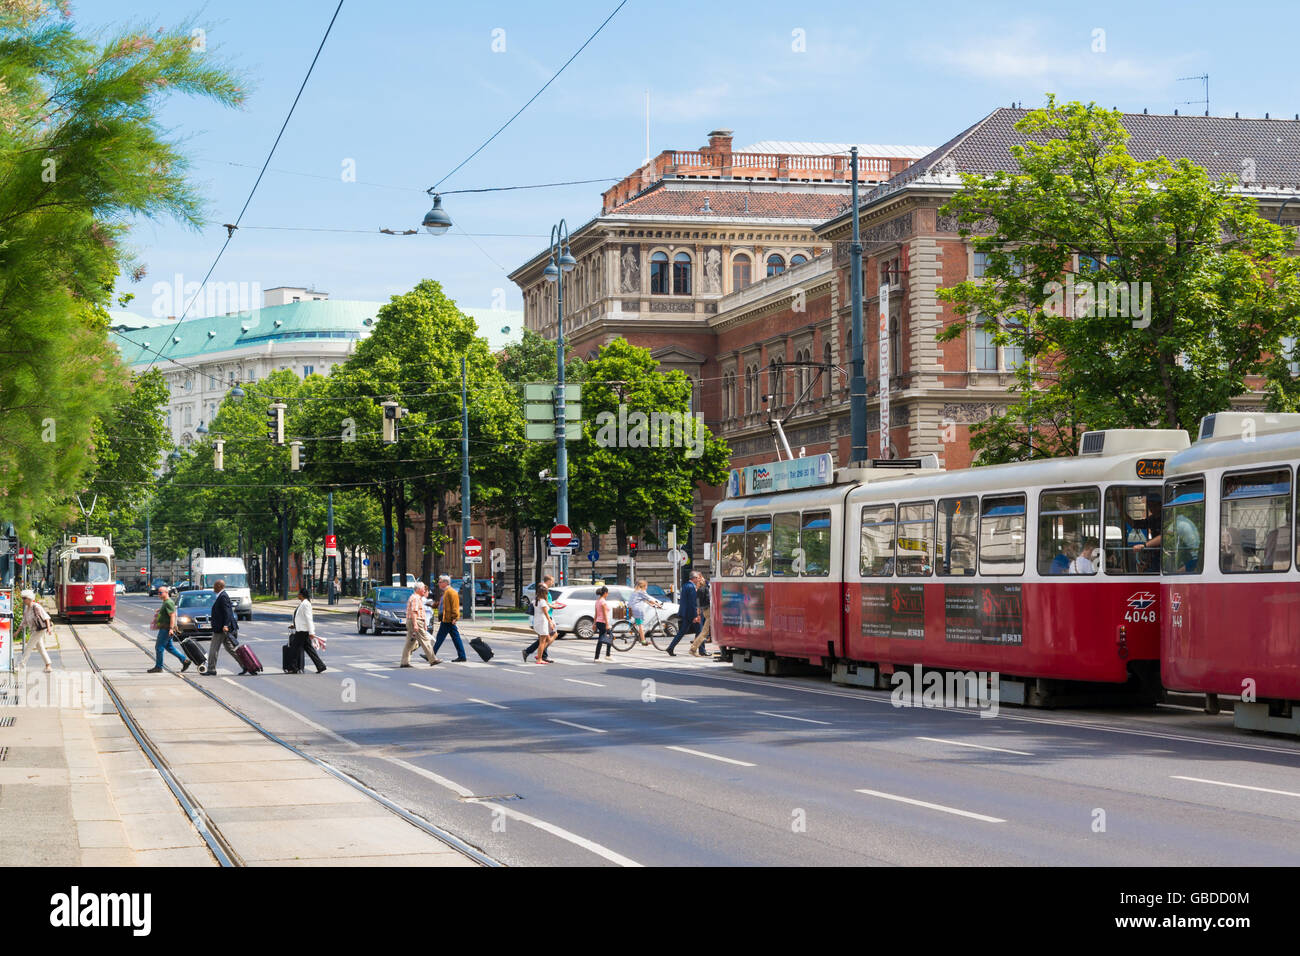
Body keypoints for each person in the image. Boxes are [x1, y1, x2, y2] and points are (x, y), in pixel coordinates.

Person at [148, 586, 190, 674]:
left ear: (166, 593)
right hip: (165, 628)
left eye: (160, 593)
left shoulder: (168, 603)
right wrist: (161, 610)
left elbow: (172, 616)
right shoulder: (166, 602)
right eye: (158, 593)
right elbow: (169, 612)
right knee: (169, 647)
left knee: (159, 647)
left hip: (166, 629)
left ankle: (159, 667)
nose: (158, 594)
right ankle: (185, 660)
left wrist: (171, 629)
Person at [290, 587, 327, 673]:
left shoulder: (306, 604)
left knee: (294, 649)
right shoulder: (303, 603)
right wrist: (294, 625)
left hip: (303, 631)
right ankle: (320, 666)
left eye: (298, 593)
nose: (297, 595)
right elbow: (301, 618)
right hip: (301, 630)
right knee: (309, 650)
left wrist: (311, 632)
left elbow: (308, 619)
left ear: (302, 595)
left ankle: (294, 667)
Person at [401, 581, 439, 667]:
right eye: (423, 589)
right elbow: (414, 612)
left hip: (415, 621)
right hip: (416, 621)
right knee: (425, 640)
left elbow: (420, 612)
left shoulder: (417, 598)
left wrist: (424, 623)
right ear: (418, 589)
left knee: (410, 643)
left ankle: (404, 662)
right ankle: (433, 659)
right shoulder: (415, 598)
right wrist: (415, 624)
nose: (424, 590)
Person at [205, 578, 237, 676]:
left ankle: (211, 669)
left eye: (215, 585)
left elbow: (227, 613)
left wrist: (225, 625)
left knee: (213, 649)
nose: (213, 587)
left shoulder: (223, 596)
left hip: (221, 628)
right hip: (222, 627)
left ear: (219, 586)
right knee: (230, 649)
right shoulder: (222, 596)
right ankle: (246, 665)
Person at [433, 574, 468, 661]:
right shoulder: (446, 592)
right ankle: (462, 656)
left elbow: (455, 606)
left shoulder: (451, 592)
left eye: (440, 582)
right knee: (455, 638)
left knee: (440, 637)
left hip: (448, 619)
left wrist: (455, 617)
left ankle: (431, 655)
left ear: (445, 582)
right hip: (447, 618)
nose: (439, 584)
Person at [19, 589, 53, 673]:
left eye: (24, 598)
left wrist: (48, 629)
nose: (23, 600)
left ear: (29, 598)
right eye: (22, 598)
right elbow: (24, 622)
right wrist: (17, 631)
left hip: (39, 630)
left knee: (28, 647)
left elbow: (46, 617)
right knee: (40, 648)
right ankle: (48, 665)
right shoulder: (27, 609)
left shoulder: (36, 606)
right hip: (33, 630)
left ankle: (21, 666)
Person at [524, 576, 556, 663]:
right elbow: (546, 613)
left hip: (538, 622)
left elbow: (546, 607)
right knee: (542, 642)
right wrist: (551, 622)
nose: (547, 595)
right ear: (543, 593)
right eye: (546, 593)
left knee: (547, 639)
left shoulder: (536, 601)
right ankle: (539, 659)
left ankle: (539, 655)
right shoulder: (542, 602)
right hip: (542, 622)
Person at [666, 573, 698, 657]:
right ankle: (700, 650)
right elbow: (692, 603)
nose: (698, 579)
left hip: (685, 612)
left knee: (683, 632)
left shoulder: (685, 585)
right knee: (700, 631)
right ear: (694, 578)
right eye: (697, 578)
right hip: (690, 613)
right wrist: (695, 615)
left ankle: (671, 647)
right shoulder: (691, 587)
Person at [628, 579, 662, 646]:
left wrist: (652, 605)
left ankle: (634, 630)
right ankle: (643, 641)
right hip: (637, 609)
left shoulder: (637, 591)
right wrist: (658, 605)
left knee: (638, 623)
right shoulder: (642, 592)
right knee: (640, 625)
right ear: (644, 586)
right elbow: (649, 598)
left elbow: (645, 600)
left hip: (632, 608)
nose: (647, 587)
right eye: (647, 586)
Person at [688, 571, 713, 657]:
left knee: (705, 631)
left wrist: (698, 614)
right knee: (704, 632)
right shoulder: (705, 588)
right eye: (700, 577)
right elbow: (710, 599)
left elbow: (698, 603)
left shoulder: (699, 589)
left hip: (705, 611)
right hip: (709, 611)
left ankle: (694, 649)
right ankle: (693, 649)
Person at [592, 586, 613, 660]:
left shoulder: (598, 601)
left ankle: (604, 655)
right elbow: (604, 614)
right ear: (605, 593)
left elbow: (596, 613)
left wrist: (594, 623)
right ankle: (605, 656)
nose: (608, 594)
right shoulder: (603, 602)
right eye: (607, 593)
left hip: (598, 622)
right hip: (603, 622)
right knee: (609, 637)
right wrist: (607, 624)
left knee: (604, 638)